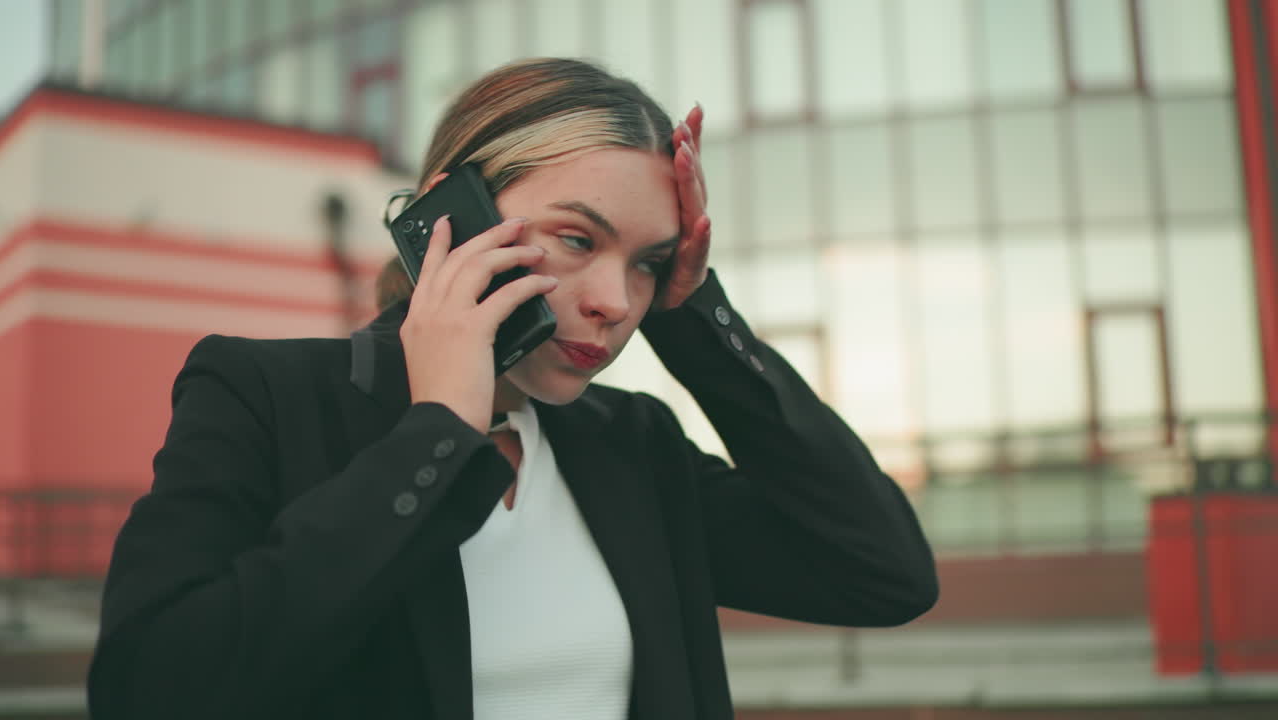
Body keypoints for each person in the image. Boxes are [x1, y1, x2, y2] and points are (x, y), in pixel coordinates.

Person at [87, 58, 937, 720]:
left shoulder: (627, 443)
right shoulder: (265, 395)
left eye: (646, 263)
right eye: (576, 238)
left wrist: (691, 312)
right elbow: (149, 691)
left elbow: (881, 574)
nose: (615, 300)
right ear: (445, 218)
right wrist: (437, 438)